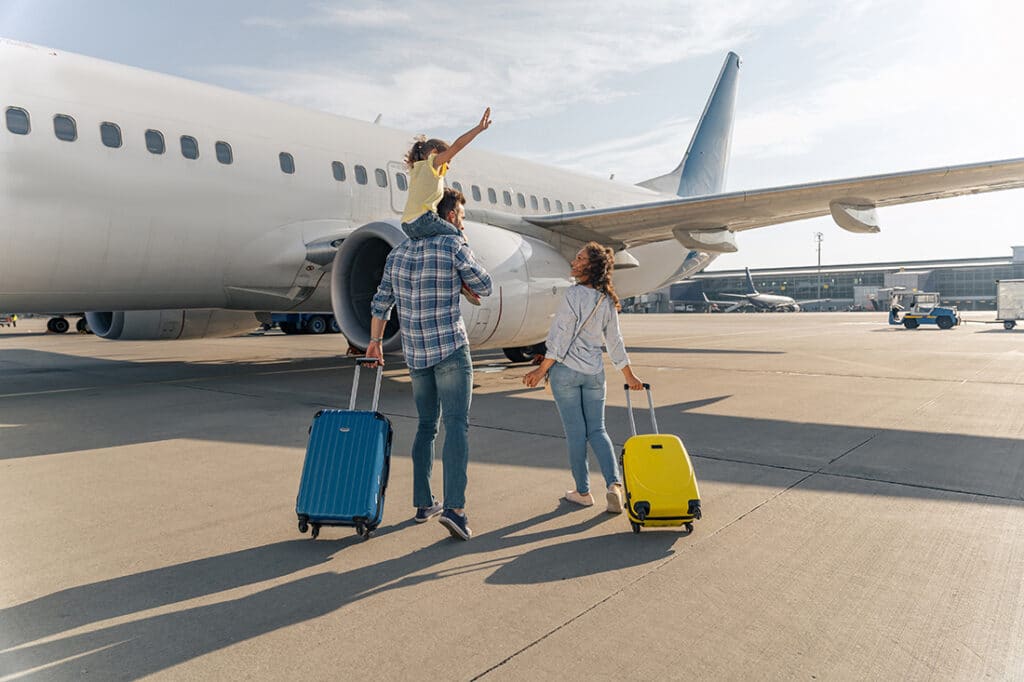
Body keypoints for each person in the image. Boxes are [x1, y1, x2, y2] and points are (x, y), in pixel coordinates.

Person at [366, 188, 492, 541]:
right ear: (450, 216)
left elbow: (380, 304)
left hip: (416, 355)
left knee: (425, 427)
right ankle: (455, 508)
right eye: (462, 217)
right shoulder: (453, 245)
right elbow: (486, 284)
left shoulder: (399, 252)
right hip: (450, 349)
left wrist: (375, 344)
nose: (462, 222)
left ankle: (423, 503)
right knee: (457, 427)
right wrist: (463, 244)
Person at [523, 242, 644, 514]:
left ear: (590, 266)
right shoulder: (606, 299)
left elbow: (561, 336)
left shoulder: (572, 295)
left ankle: (583, 491)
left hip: (565, 373)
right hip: (593, 374)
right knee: (598, 430)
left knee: (576, 434)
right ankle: (614, 486)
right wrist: (629, 374)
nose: (573, 262)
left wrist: (542, 369)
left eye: (579, 259)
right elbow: (614, 341)